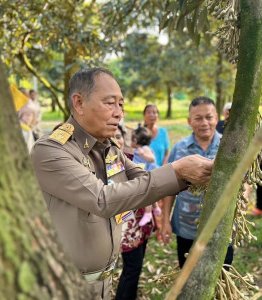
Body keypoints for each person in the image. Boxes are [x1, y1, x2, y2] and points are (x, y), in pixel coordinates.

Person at [31, 68, 214, 300]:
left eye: (121, 104)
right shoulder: (51, 150)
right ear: (79, 103)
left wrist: (194, 173)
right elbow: (103, 199)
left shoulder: (109, 147)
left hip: (105, 283)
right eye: (110, 103)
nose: (119, 113)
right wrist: (177, 170)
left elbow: (143, 180)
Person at [160, 96, 234, 269]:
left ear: (217, 118)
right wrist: (165, 221)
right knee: (187, 275)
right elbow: (170, 188)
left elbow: (244, 180)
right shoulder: (180, 149)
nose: (204, 123)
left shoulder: (229, 147)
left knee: (221, 278)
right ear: (189, 121)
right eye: (198, 118)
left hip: (221, 228)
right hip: (186, 228)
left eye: (209, 117)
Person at [112, 126, 157, 300]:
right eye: (111, 137)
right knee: (131, 269)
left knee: (135, 268)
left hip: (142, 223)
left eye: (119, 136)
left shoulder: (132, 158)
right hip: (124, 227)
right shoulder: (101, 164)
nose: (116, 140)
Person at [130, 126, 162, 226]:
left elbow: (152, 159)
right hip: (145, 175)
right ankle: (156, 208)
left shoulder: (144, 149)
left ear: (135, 140)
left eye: (131, 139)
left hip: (149, 175)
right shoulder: (139, 150)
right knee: (150, 194)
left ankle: (148, 214)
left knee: (146, 195)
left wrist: (144, 155)